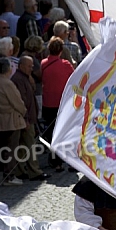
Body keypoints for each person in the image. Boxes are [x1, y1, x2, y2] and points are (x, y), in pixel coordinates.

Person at [11, 56, 50, 181]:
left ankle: (20, 170)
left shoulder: (24, 77)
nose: (31, 68)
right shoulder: (18, 79)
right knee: (30, 146)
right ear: (21, 66)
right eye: (29, 66)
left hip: (28, 118)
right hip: (25, 119)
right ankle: (35, 171)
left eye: (32, 66)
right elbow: (22, 101)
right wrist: (26, 119)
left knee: (23, 146)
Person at [0, 57, 27, 186]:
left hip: (0, 119)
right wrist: (23, 111)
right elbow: (17, 102)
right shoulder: (7, 83)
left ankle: (7, 173)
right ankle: (9, 175)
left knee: (4, 147)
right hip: (11, 119)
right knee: (11, 148)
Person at [41, 37, 74, 172]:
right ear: (61, 50)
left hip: (48, 103)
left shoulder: (43, 63)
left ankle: (56, 161)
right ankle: (69, 160)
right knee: (65, 132)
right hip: (62, 104)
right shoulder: (66, 65)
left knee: (52, 133)